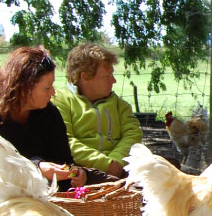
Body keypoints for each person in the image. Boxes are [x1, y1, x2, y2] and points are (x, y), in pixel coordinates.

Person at [0, 46, 87, 216]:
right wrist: (36, 168)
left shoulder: (49, 114)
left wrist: (75, 173)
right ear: (22, 88)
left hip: (39, 190)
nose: (53, 93)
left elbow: (63, 159)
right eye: (47, 88)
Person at [52, 43, 143, 178]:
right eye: (107, 76)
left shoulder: (119, 104)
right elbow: (64, 140)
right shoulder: (61, 101)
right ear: (85, 77)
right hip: (81, 173)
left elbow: (133, 133)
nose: (114, 80)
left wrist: (116, 162)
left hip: (120, 168)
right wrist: (105, 165)